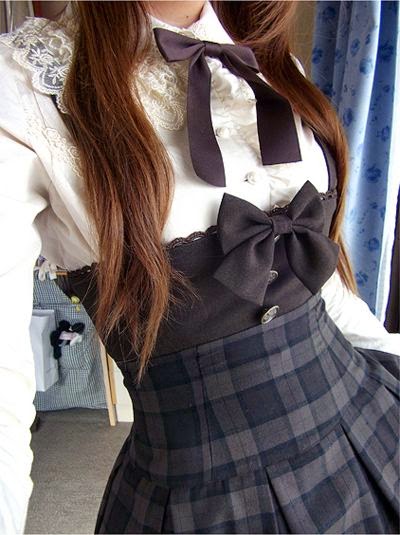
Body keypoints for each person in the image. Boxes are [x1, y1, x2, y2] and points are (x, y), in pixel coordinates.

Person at [0, 1, 399, 533]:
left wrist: (387, 352)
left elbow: (317, 282)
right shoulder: (22, 89)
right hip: (210, 504)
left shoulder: (271, 64)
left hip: (367, 423)